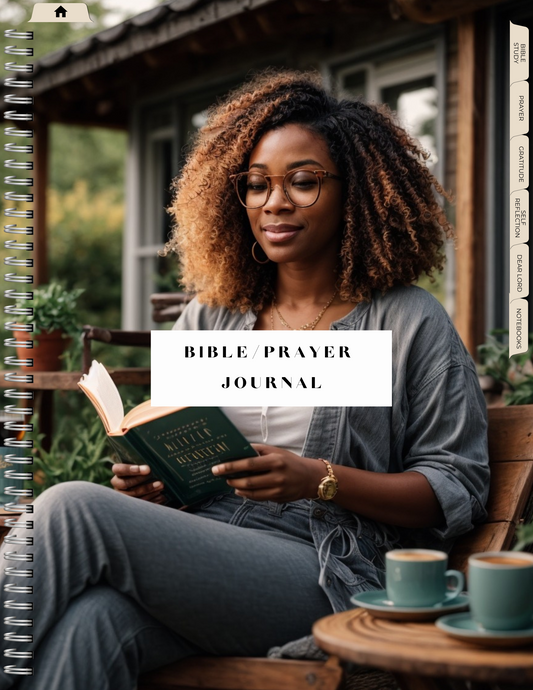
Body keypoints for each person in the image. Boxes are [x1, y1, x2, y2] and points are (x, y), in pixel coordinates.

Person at [0, 68, 489, 689]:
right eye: (256, 185)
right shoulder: (212, 317)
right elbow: (170, 442)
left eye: (304, 182)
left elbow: (458, 487)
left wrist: (319, 479)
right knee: (94, 622)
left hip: (327, 570)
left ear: (357, 192)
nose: (274, 202)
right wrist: (149, 482)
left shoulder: (408, 321)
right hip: (209, 548)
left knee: (73, 508)